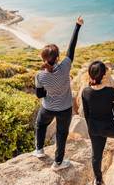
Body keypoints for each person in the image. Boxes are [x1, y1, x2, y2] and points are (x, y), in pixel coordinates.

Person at [32, 16, 84, 171]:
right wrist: (77, 26)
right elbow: (71, 49)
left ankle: (39, 150)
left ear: (43, 58)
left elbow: (40, 95)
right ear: (58, 58)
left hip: (47, 107)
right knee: (61, 134)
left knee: (40, 125)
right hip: (65, 109)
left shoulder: (40, 75)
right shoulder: (65, 67)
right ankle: (58, 163)